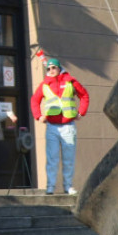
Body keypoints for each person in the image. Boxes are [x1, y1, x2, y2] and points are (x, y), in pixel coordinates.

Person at [30, 57, 90, 195]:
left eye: (53, 68)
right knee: (52, 158)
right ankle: (50, 186)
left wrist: (81, 112)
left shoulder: (70, 81)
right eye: (48, 68)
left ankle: (68, 186)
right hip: (52, 127)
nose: (51, 71)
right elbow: (34, 100)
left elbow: (84, 95)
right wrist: (39, 116)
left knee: (68, 159)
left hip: (68, 125)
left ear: (59, 68)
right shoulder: (45, 84)